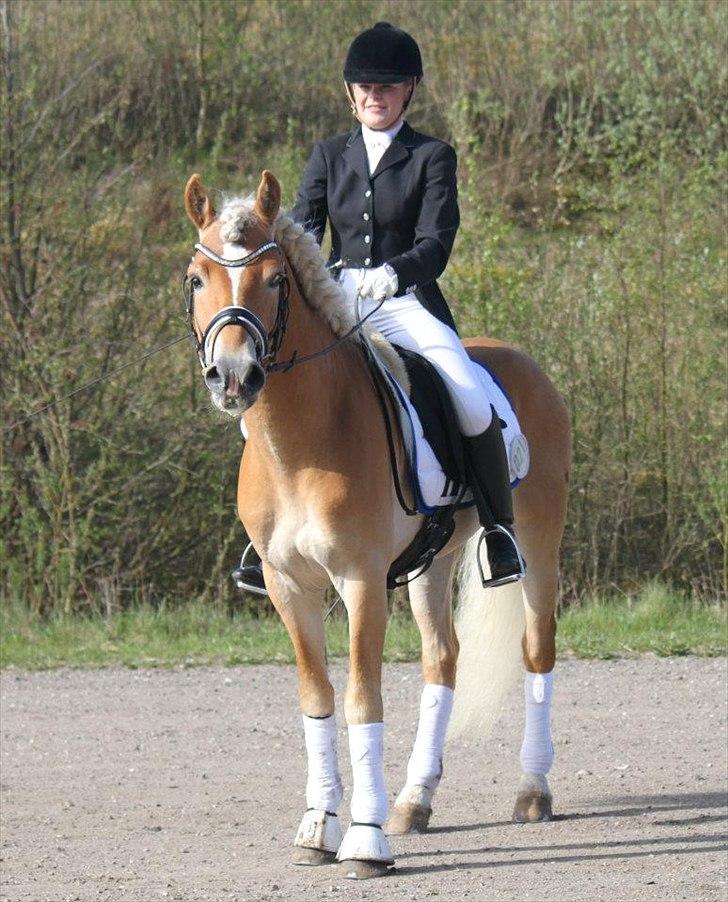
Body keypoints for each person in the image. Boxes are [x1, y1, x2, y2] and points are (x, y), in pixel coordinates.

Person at [232, 22, 524, 595]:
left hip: (407, 302)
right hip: (337, 305)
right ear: (349, 91)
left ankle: (497, 529)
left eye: (387, 86)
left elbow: (436, 241)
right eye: (364, 85)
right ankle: (265, 535)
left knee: (466, 391)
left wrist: (392, 274)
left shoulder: (432, 157)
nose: (374, 95)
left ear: (409, 90)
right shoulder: (328, 155)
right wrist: (324, 277)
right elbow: (303, 232)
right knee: (261, 404)